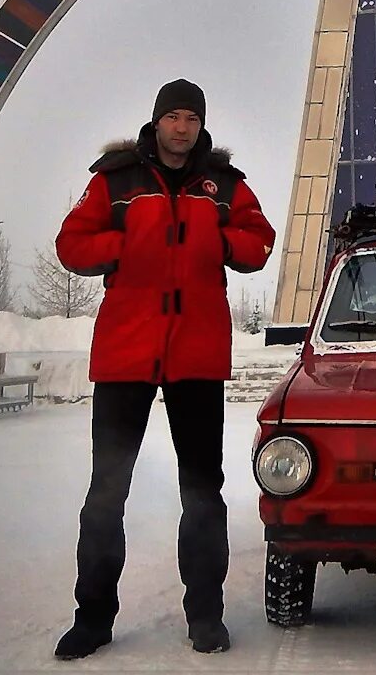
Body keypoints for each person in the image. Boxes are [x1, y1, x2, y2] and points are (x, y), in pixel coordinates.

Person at [52, 78, 276, 661]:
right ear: (157, 122)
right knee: (107, 492)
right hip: (127, 353)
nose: (182, 127)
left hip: (196, 355)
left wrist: (215, 237)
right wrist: (128, 242)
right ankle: (92, 618)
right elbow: (72, 245)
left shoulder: (225, 186)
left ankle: (206, 615)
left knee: (203, 492)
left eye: (191, 118)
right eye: (173, 116)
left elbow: (259, 243)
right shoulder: (115, 179)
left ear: (201, 126)